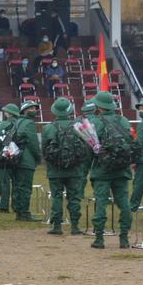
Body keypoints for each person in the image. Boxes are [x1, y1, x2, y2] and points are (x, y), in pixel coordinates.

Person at [87, 91, 135, 248]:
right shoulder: (123, 120)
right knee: (124, 203)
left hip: (102, 169)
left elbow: (90, 146)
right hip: (122, 168)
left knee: (101, 202)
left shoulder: (95, 122)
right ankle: (124, 238)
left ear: (98, 106)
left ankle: (99, 238)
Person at [41, 97, 90, 235]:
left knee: (56, 197)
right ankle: (75, 226)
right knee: (74, 198)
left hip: (55, 170)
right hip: (75, 169)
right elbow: (86, 147)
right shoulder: (78, 126)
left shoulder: (48, 128)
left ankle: (57, 226)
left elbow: (44, 150)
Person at [7, 100, 42, 222]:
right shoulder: (29, 123)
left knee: (18, 187)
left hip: (16, 158)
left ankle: (18, 211)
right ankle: (24, 213)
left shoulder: (17, 122)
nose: (34, 110)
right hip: (26, 160)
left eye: (35, 108)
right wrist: (38, 158)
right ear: (24, 111)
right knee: (25, 188)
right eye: (31, 108)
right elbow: (33, 143)